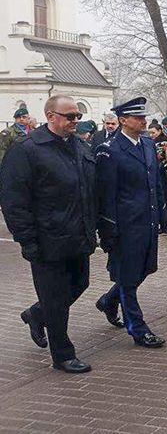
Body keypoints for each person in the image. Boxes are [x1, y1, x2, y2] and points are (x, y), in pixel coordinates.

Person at [0, 95, 97, 373]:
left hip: (78, 234)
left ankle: (36, 314)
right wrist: (27, 240)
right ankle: (63, 354)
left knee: (80, 284)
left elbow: (89, 191)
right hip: (47, 239)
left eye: (77, 116)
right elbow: (14, 201)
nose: (75, 121)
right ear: (51, 116)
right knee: (55, 298)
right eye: (70, 117)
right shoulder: (27, 150)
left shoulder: (80, 146)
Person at [94, 97, 166, 348]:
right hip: (125, 226)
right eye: (138, 117)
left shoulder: (147, 144)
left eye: (144, 117)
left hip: (147, 221)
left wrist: (163, 215)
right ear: (123, 120)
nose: (144, 121)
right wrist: (108, 230)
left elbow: (154, 183)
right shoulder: (109, 150)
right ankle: (137, 328)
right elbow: (106, 195)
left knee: (144, 269)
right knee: (127, 277)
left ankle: (108, 301)